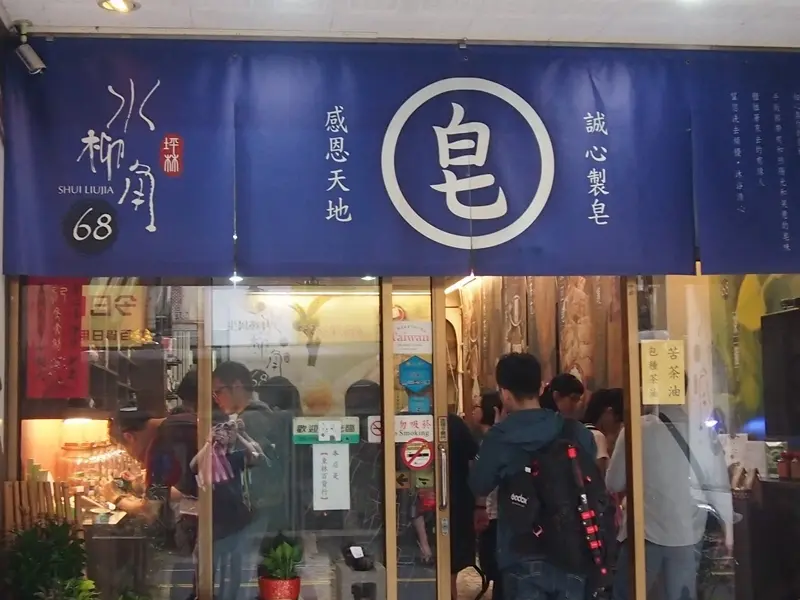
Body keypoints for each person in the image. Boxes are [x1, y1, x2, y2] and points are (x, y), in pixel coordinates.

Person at [469, 353, 597, 600]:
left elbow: (479, 483)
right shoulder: (575, 431)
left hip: (522, 552)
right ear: (540, 388)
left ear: (504, 393)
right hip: (574, 550)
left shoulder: (501, 436)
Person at [606, 405, 732, 600]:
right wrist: (728, 532)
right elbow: (719, 487)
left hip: (644, 533)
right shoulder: (703, 433)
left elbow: (614, 482)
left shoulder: (635, 429)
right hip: (687, 536)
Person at [474, 390, 505, 600]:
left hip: (495, 515)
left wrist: (481, 507)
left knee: (497, 570)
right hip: (495, 514)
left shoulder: (494, 441)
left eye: (477, 406)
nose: (473, 410)